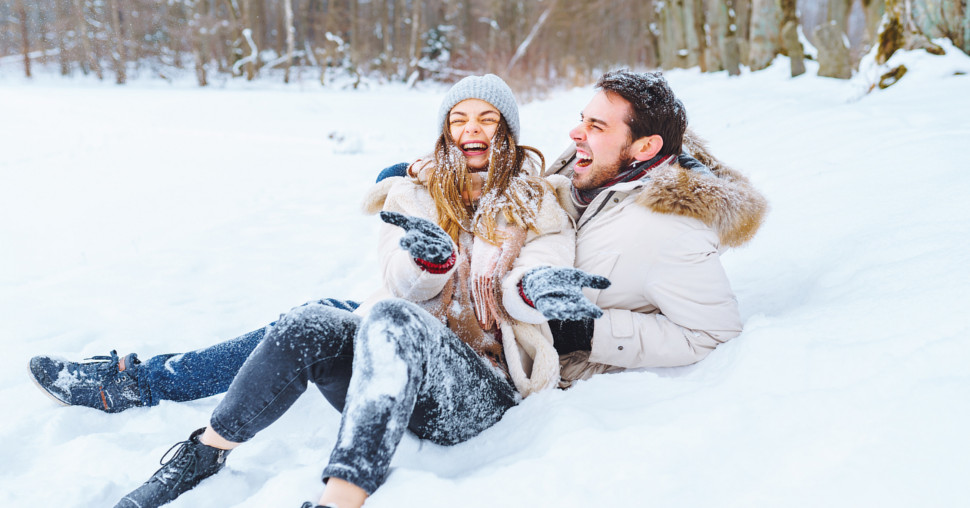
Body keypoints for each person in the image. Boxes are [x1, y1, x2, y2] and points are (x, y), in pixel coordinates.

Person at [30, 69, 767, 410]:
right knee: (318, 314)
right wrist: (412, 174)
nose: (575, 133)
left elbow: (713, 334)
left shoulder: (669, 229)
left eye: (594, 125)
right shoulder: (587, 173)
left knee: (321, 324)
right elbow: (518, 170)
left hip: (499, 358)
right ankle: (149, 378)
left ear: (644, 150)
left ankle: (141, 385)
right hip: (458, 320)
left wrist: (586, 332)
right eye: (579, 118)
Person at [111, 74, 608, 508]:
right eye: (458, 120)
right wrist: (430, 263)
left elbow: (532, 278)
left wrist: (533, 289)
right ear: (445, 131)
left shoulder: (539, 204)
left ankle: (341, 498)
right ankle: (204, 453)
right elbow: (400, 281)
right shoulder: (412, 194)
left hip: (478, 390)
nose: (471, 130)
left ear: (508, 131)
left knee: (396, 319)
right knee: (309, 322)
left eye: (487, 119)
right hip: (388, 368)